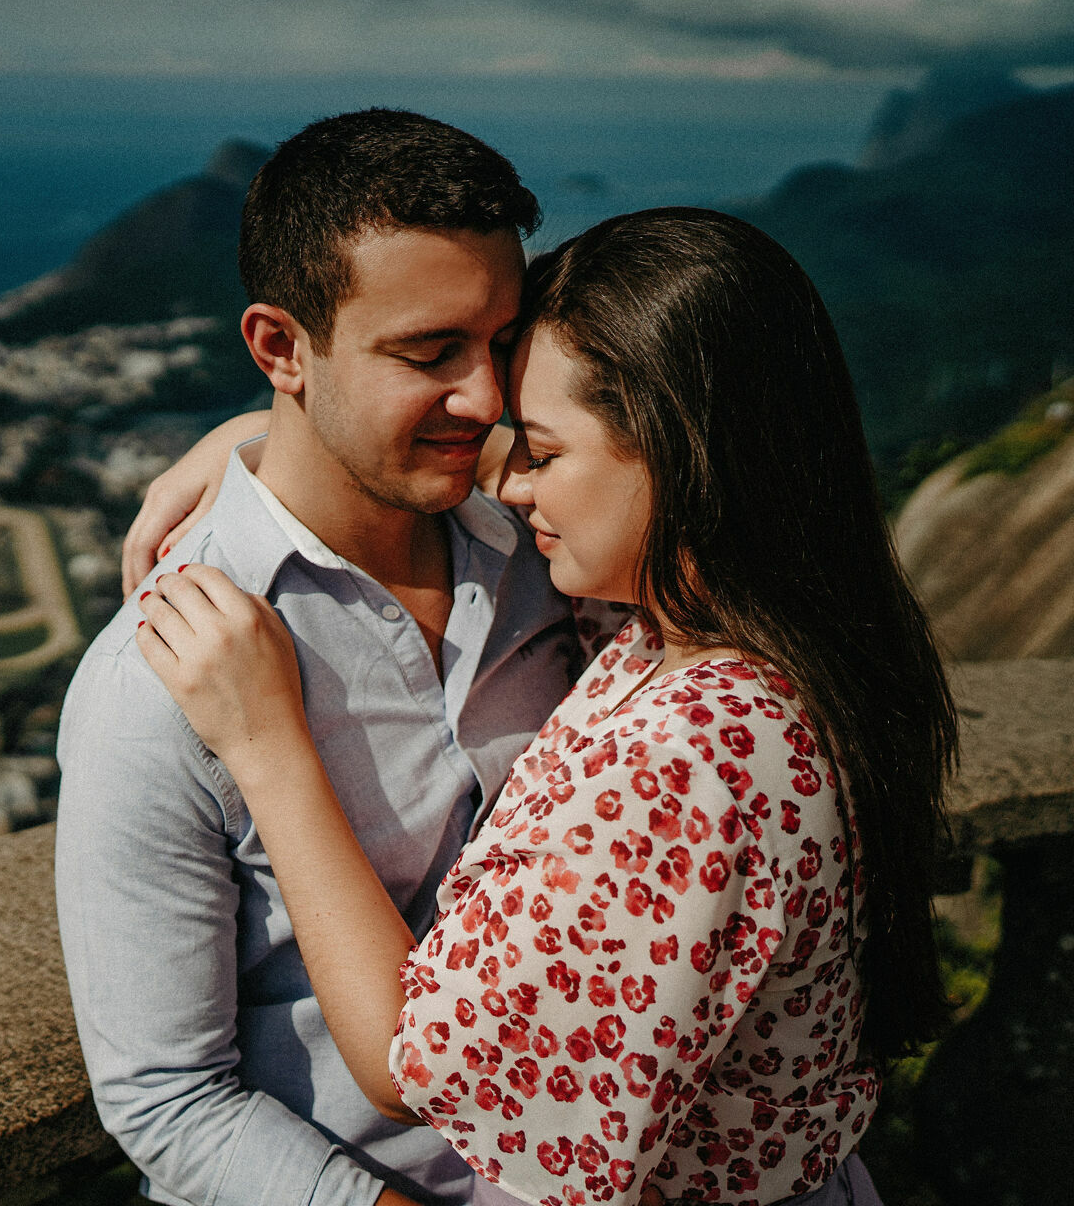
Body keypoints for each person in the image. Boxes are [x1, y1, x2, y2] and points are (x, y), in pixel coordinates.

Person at [131, 207, 957, 1205]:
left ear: (679, 451)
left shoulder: (690, 762)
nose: (513, 482)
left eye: (544, 451)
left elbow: (407, 1061)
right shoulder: (757, 643)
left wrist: (269, 744)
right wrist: (273, 433)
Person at [55, 108, 599, 1206]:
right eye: (429, 353)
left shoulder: (557, 553)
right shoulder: (165, 673)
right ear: (279, 349)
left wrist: (247, 437)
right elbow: (167, 1102)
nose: (488, 398)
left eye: (501, 343)